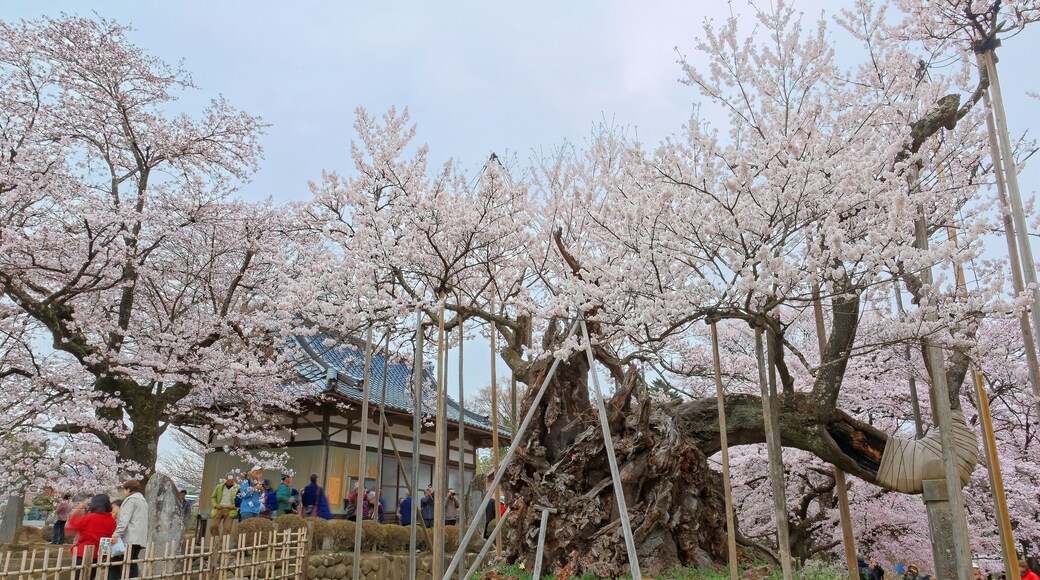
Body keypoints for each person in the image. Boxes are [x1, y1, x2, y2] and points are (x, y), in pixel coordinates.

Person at [65, 494, 116, 580]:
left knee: (78, 577)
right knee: (91, 577)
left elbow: (72, 525)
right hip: (99, 553)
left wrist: (78, 509)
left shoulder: (88, 518)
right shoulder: (112, 521)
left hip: (83, 552)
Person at [111, 479, 148, 580]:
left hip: (130, 537)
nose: (124, 492)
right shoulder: (142, 500)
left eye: (125, 489)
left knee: (128, 564)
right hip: (139, 538)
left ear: (129, 490)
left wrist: (116, 534)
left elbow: (123, 520)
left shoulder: (131, 500)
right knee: (132, 562)